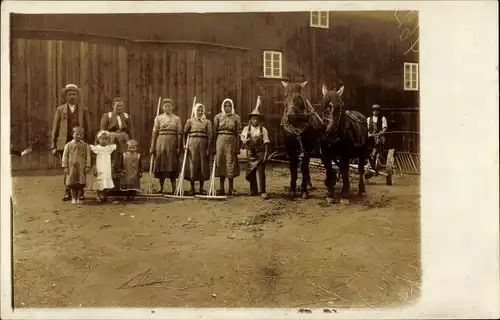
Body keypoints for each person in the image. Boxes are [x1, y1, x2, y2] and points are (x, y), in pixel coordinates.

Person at [51, 84, 91, 201]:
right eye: (69, 94)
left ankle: (81, 192)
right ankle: (68, 191)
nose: (72, 96)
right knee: (68, 168)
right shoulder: (60, 110)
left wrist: (88, 143)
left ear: (77, 96)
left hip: (81, 143)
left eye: (74, 94)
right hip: (65, 143)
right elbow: (55, 128)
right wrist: (53, 146)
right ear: (65, 96)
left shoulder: (83, 110)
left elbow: (88, 128)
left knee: (81, 168)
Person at [99, 97, 135, 188]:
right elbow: (103, 130)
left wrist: (131, 141)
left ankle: (124, 183)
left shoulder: (127, 116)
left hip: (123, 139)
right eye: (117, 105)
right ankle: (111, 184)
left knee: (123, 159)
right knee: (113, 160)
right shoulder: (108, 115)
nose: (119, 107)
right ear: (113, 106)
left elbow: (130, 131)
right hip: (111, 139)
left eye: (121, 106)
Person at [150, 98, 182, 194]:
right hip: (161, 143)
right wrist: (152, 146)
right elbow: (154, 133)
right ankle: (161, 188)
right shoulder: (158, 118)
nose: (168, 108)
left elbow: (179, 133)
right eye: (166, 106)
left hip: (172, 143)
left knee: (172, 165)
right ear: (162, 108)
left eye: (169, 106)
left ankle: (174, 188)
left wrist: (178, 146)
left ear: (173, 107)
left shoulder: (176, 119)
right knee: (161, 164)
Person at [241, 98, 270, 199]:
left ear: (259, 120)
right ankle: (253, 190)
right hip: (251, 153)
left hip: (260, 154)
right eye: (253, 119)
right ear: (250, 120)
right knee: (251, 172)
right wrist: (245, 140)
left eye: (257, 119)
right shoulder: (246, 129)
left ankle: (262, 191)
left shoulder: (263, 129)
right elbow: (243, 139)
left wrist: (266, 154)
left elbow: (266, 143)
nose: (255, 120)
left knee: (261, 172)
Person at [213, 98, 242, 196]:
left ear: (232, 107)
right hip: (220, 141)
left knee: (230, 163)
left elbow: (239, 133)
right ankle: (221, 188)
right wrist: (213, 147)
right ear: (222, 107)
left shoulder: (236, 117)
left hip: (232, 142)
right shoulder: (218, 117)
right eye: (225, 106)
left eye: (229, 106)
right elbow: (214, 132)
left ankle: (231, 188)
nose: (227, 108)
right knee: (221, 162)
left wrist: (238, 147)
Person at [183, 103, 212, 195]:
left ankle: (201, 188)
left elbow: (210, 137)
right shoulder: (190, 121)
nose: (200, 112)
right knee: (192, 165)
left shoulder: (207, 122)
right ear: (195, 111)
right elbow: (184, 133)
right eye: (198, 110)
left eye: (201, 110)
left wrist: (208, 148)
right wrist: (184, 145)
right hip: (192, 145)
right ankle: (192, 188)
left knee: (202, 166)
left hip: (203, 145)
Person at [61, 126, 91, 204]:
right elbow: (65, 156)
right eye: (76, 134)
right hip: (71, 167)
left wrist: (88, 166)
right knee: (72, 183)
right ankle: (73, 198)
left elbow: (88, 156)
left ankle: (79, 198)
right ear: (72, 134)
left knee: (80, 183)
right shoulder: (68, 145)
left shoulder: (85, 145)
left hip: (81, 167)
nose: (78, 136)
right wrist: (65, 166)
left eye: (80, 135)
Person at [90, 130, 116, 202]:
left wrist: (112, 165)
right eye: (102, 139)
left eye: (106, 139)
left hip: (106, 166)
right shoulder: (96, 148)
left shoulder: (109, 148)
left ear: (108, 140)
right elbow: (93, 158)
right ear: (98, 139)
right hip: (99, 166)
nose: (104, 141)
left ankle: (104, 195)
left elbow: (113, 158)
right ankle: (98, 195)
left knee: (106, 180)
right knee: (99, 180)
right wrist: (94, 167)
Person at [367, 104, 388, 175]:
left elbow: (384, 128)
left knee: (377, 141)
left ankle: (372, 156)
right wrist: (369, 134)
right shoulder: (369, 119)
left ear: (379, 111)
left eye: (376, 110)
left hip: (379, 135)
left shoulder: (383, 118)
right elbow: (366, 129)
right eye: (373, 110)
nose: (375, 112)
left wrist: (379, 134)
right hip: (370, 135)